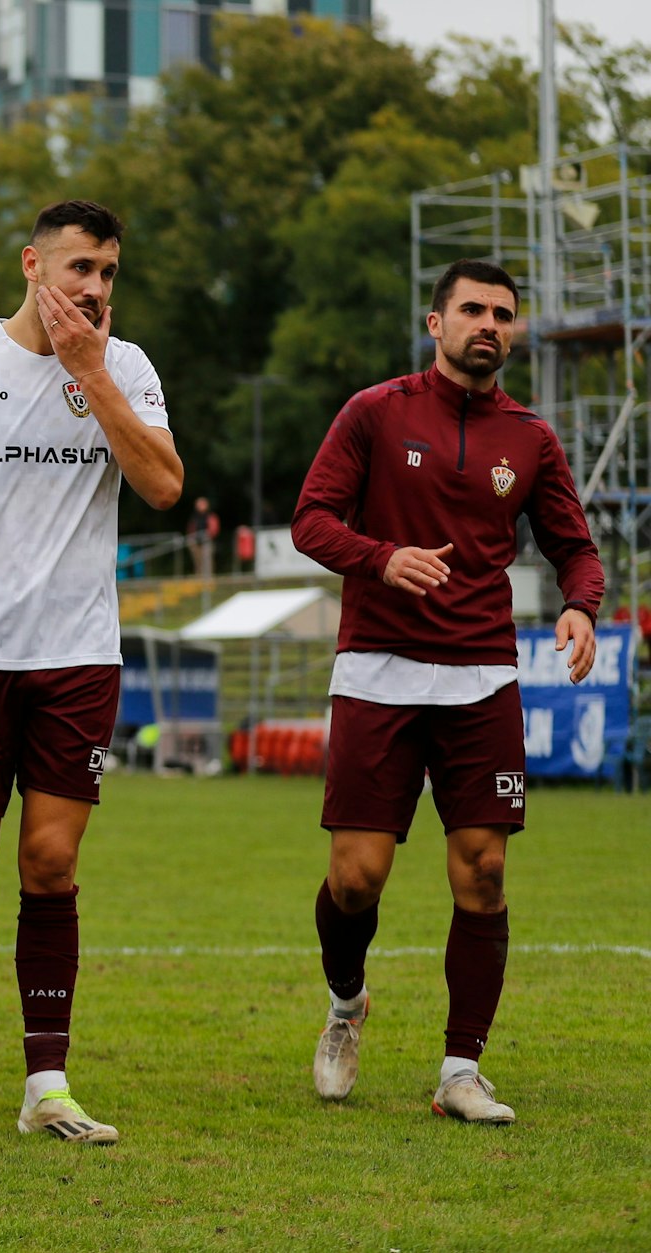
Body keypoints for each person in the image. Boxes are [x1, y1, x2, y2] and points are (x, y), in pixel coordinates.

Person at [0, 200, 183, 1143]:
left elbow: (166, 486)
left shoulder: (123, 365)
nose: (94, 288)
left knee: (50, 865)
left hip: (79, 655)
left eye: (107, 272)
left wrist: (93, 375)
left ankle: (45, 1082)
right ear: (31, 265)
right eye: (78, 269)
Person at [292, 258, 603, 1124]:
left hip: (482, 678)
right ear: (436, 324)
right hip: (378, 671)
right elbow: (311, 519)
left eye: (503, 314)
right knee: (356, 880)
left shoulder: (532, 439)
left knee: (486, 873)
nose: (488, 325)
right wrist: (381, 558)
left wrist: (581, 607)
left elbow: (574, 548)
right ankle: (348, 1004)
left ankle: (461, 1070)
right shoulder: (374, 412)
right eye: (472, 309)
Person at [185, 496, 218, 578]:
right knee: (197, 562)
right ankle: (198, 578)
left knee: (207, 561)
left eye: (202, 504)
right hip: (196, 542)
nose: (200, 506)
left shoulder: (210, 516)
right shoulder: (194, 517)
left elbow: (214, 529)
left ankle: (208, 580)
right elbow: (191, 529)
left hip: (206, 540)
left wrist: (208, 534)